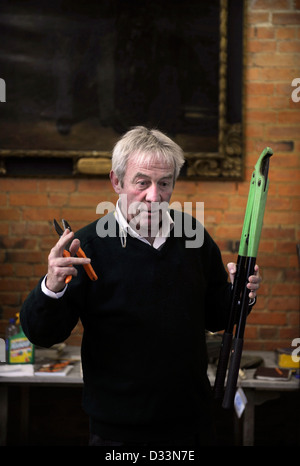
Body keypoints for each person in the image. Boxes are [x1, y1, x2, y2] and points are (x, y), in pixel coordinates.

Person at [20, 126, 261, 446]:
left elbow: (218, 317)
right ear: (117, 181)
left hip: (190, 421)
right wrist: (52, 285)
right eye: (142, 182)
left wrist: (241, 294)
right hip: (117, 427)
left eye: (164, 183)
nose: (154, 195)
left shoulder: (195, 237)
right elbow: (42, 334)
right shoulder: (87, 246)